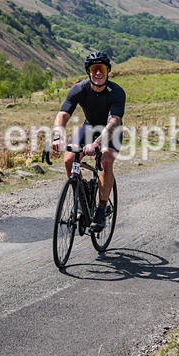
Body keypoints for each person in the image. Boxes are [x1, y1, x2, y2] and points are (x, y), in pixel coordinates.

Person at [51, 51, 125, 231]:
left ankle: (101, 208)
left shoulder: (116, 92)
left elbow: (114, 121)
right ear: (88, 71)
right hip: (89, 127)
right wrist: (58, 135)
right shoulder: (79, 89)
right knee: (69, 159)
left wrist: (97, 143)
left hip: (111, 131)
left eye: (102, 68)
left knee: (106, 161)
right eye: (94, 69)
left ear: (108, 71)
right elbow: (63, 114)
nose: (98, 72)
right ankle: (81, 195)